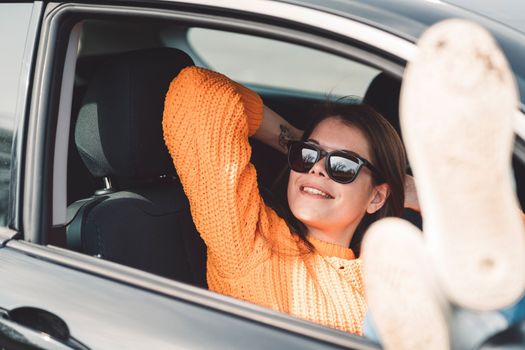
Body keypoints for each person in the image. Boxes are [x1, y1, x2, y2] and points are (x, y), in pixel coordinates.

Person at [162, 66, 407, 335]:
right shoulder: (251, 242)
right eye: (309, 154)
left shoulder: (393, 276)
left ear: (376, 197)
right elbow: (198, 90)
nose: (317, 168)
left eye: (343, 164)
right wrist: (290, 139)